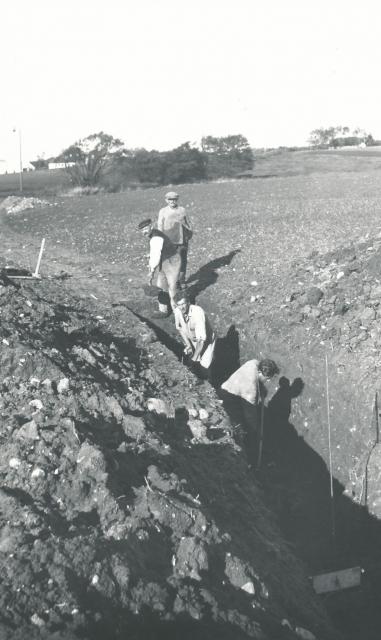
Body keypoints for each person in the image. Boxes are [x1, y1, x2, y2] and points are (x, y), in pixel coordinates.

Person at [220, 358, 279, 467]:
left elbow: (257, 380)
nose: (268, 381)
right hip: (229, 400)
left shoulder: (254, 363)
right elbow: (250, 415)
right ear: (261, 373)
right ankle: (248, 457)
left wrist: (261, 387)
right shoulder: (250, 390)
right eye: (267, 378)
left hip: (230, 388)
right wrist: (255, 431)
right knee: (242, 429)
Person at [138, 218, 182, 318]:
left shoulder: (156, 238)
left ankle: (178, 314)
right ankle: (163, 310)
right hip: (164, 261)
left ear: (151, 226)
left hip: (172, 261)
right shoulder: (153, 235)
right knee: (160, 286)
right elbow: (155, 253)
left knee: (172, 288)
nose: (144, 232)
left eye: (146, 228)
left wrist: (151, 271)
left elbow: (155, 256)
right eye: (142, 230)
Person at [173, 290, 216, 378]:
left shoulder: (197, 313)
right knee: (194, 360)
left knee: (205, 365)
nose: (181, 307)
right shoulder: (177, 311)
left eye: (183, 304)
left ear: (188, 302)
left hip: (206, 341)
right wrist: (188, 345)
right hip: (193, 339)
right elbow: (180, 328)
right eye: (179, 305)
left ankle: (208, 383)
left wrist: (194, 359)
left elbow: (201, 341)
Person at [157, 191, 192, 287]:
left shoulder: (182, 210)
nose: (172, 201)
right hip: (169, 241)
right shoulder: (163, 211)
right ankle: (172, 282)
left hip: (182, 241)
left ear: (177, 200)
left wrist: (188, 235)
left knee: (182, 261)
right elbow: (160, 226)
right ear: (166, 200)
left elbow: (188, 223)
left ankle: (182, 280)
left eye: (174, 199)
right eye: (170, 199)